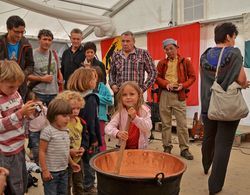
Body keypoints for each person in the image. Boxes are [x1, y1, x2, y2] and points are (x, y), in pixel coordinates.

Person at [200, 22, 250, 194]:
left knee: (208, 138)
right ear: (228, 36)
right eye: (234, 37)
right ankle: (214, 187)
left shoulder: (204, 55)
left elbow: (213, 78)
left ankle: (206, 165)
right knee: (223, 144)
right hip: (227, 106)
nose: (234, 41)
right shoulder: (234, 53)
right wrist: (242, 83)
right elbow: (242, 80)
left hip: (208, 105)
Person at [0, 60, 37, 195]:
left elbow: (22, 117)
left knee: (21, 180)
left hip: (19, 146)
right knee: (11, 185)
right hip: (5, 151)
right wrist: (20, 113)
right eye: (11, 87)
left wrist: (31, 112)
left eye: (17, 86)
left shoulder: (15, 94)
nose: (15, 90)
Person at [156, 38, 196, 160]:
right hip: (165, 94)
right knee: (166, 123)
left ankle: (184, 149)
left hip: (180, 95)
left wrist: (182, 85)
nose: (169, 51)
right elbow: (157, 77)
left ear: (177, 48)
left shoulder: (185, 62)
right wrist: (166, 84)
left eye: (171, 48)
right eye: (167, 49)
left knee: (182, 124)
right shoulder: (162, 63)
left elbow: (192, 77)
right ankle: (167, 146)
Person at [67, 67, 101, 193]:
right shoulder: (91, 99)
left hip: (77, 137)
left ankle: (81, 185)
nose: (95, 81)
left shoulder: (72, 97)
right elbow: (91, 122)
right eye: (93, 79)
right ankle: (89, 186)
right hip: (88, 137)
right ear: (85, 81)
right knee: (90, 162)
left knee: (80, 163)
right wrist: (94, 139)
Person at [39, 98, 81, 195]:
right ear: (53, 116)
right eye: (64, 116)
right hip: (51, 172)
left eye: (68, 116)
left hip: (64, 170)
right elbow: (41, 151)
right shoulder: (47, 131)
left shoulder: (66, 131)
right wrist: (44, 170)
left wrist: (71, 163)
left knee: (64, 192)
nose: (68, 119)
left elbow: (65, 150)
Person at [55, 90, 88, 195]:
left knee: (79, 183)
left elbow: (84, 137)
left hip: (78, 159)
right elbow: (57, 142)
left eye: (78, 108)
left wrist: (83, 147)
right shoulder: (61, 124)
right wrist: (69, 151)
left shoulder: (81, 122)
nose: (75, 111)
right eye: (72, 108)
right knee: (66, 185)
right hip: (64, 161)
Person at [105, 81, 152, 149]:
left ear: (138, 95)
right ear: (121, 97)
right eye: (124, 95)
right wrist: (117, 133)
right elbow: (108, 128)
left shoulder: (143, 111)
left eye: (132, 94)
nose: (128, 97)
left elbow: (148, 127)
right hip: (125, 148)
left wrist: (135, 118)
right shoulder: (120, 113)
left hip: (140, 148)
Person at [0, 15, 34, 100]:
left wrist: (22, 74)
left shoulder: (26, 45)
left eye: (22, 32)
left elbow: (31, 65)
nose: (20, 35)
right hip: (2, 87)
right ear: (8, 29)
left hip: (20, 88)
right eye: (16, 32)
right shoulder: (0, 43)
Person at [28, 29, 63, 106]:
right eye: (44, 39)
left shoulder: (54, 54)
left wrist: (61, 86)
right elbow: (25, 76)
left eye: (49, 40)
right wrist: (41, 79)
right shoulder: (31, 55)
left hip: (54, 93)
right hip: (38, 93)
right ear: (39, 40)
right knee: (38, 117)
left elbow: (58, 71)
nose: (47, 42)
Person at [93, 66, 113, 151]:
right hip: (91, 117)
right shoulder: (87, 87)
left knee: (101, 136)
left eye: (95, 76)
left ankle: (102, 154)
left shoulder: (103, 87)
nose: (93, 78)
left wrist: (97, 97)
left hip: (101, 117)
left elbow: (110, 100)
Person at [26, 91, 48, 165]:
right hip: (33, 131)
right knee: (36, 148)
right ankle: (37, 162)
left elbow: (49, 115)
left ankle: (43, 161)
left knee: (44, 147)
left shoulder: (43, 108)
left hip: (43, 130)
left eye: (35, 101)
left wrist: (42, 108)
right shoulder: (28, 110)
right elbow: (27, 119)